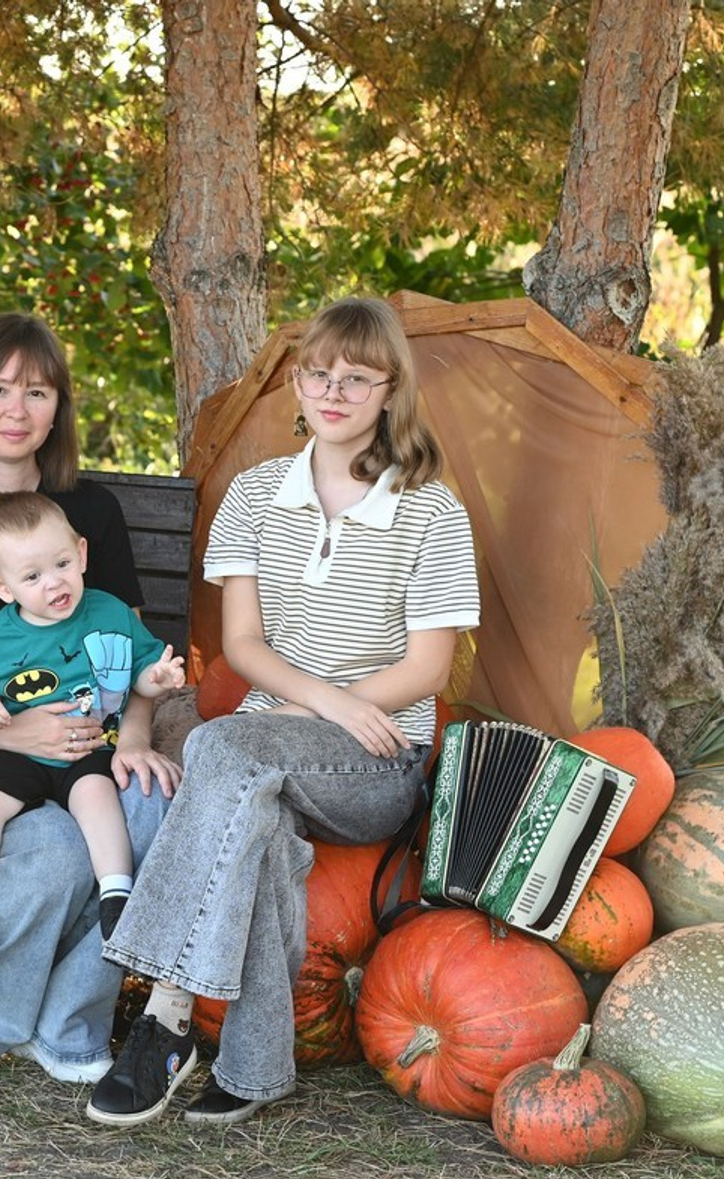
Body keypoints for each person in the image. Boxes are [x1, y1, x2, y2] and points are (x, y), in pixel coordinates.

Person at [85, 296, 481, 1127]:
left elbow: (428, 666)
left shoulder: (431, 513)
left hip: (375, 764)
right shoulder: (257, 494)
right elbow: (246, 647)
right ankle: (257, 1068)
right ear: (296, 384)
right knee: (252, 824)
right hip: (272, 744)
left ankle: (162, 1016)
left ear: (389, 389)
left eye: (356, 378)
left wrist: (340, 714)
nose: (334, 391)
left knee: (224, 752)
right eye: (318, 373)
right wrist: (326, 701)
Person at [0, 312, 181, 1087]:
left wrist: (134, 734)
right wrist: (13, 736)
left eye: (37, 390)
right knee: (57, 846)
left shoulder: (90, 515)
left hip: (93, 737)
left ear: (59, 406)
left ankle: (69, 1024)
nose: (17, 409)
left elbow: (122, 649)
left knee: (150, 806)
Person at [0, 491, 185, 978]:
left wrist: (160, 678)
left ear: (82, 553)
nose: (54, 583)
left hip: (89, 742)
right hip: (22, 746)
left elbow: (140, 673)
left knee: (97, 794)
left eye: (63, 563)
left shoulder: (109, 613)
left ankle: (117, 899)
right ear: (3, 588)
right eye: (32, 577)